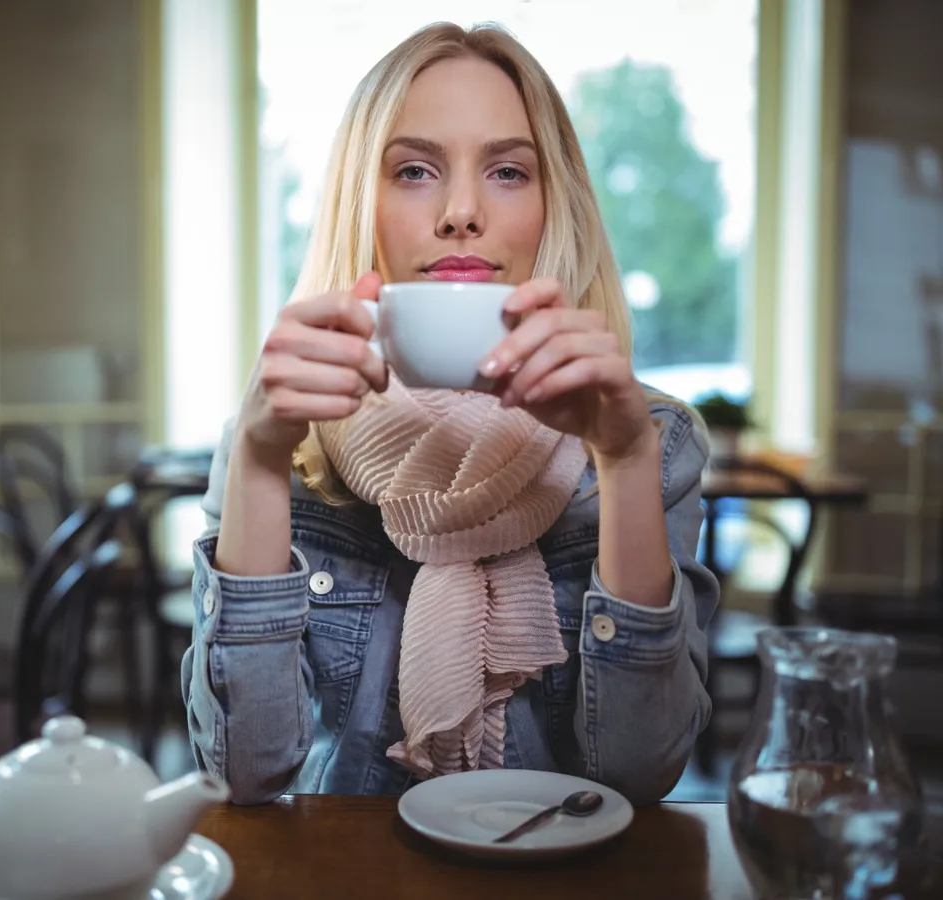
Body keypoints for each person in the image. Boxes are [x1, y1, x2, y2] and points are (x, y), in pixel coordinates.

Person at [180, 21, 718, 806]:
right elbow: (243, 774)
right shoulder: (280, 438)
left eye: (507, 172)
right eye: (414, 170)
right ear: (360, 204)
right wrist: (260, 463)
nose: (462, 212)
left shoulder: (652, 442)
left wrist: (626, 463)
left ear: (555, 206)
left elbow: (641, 775)